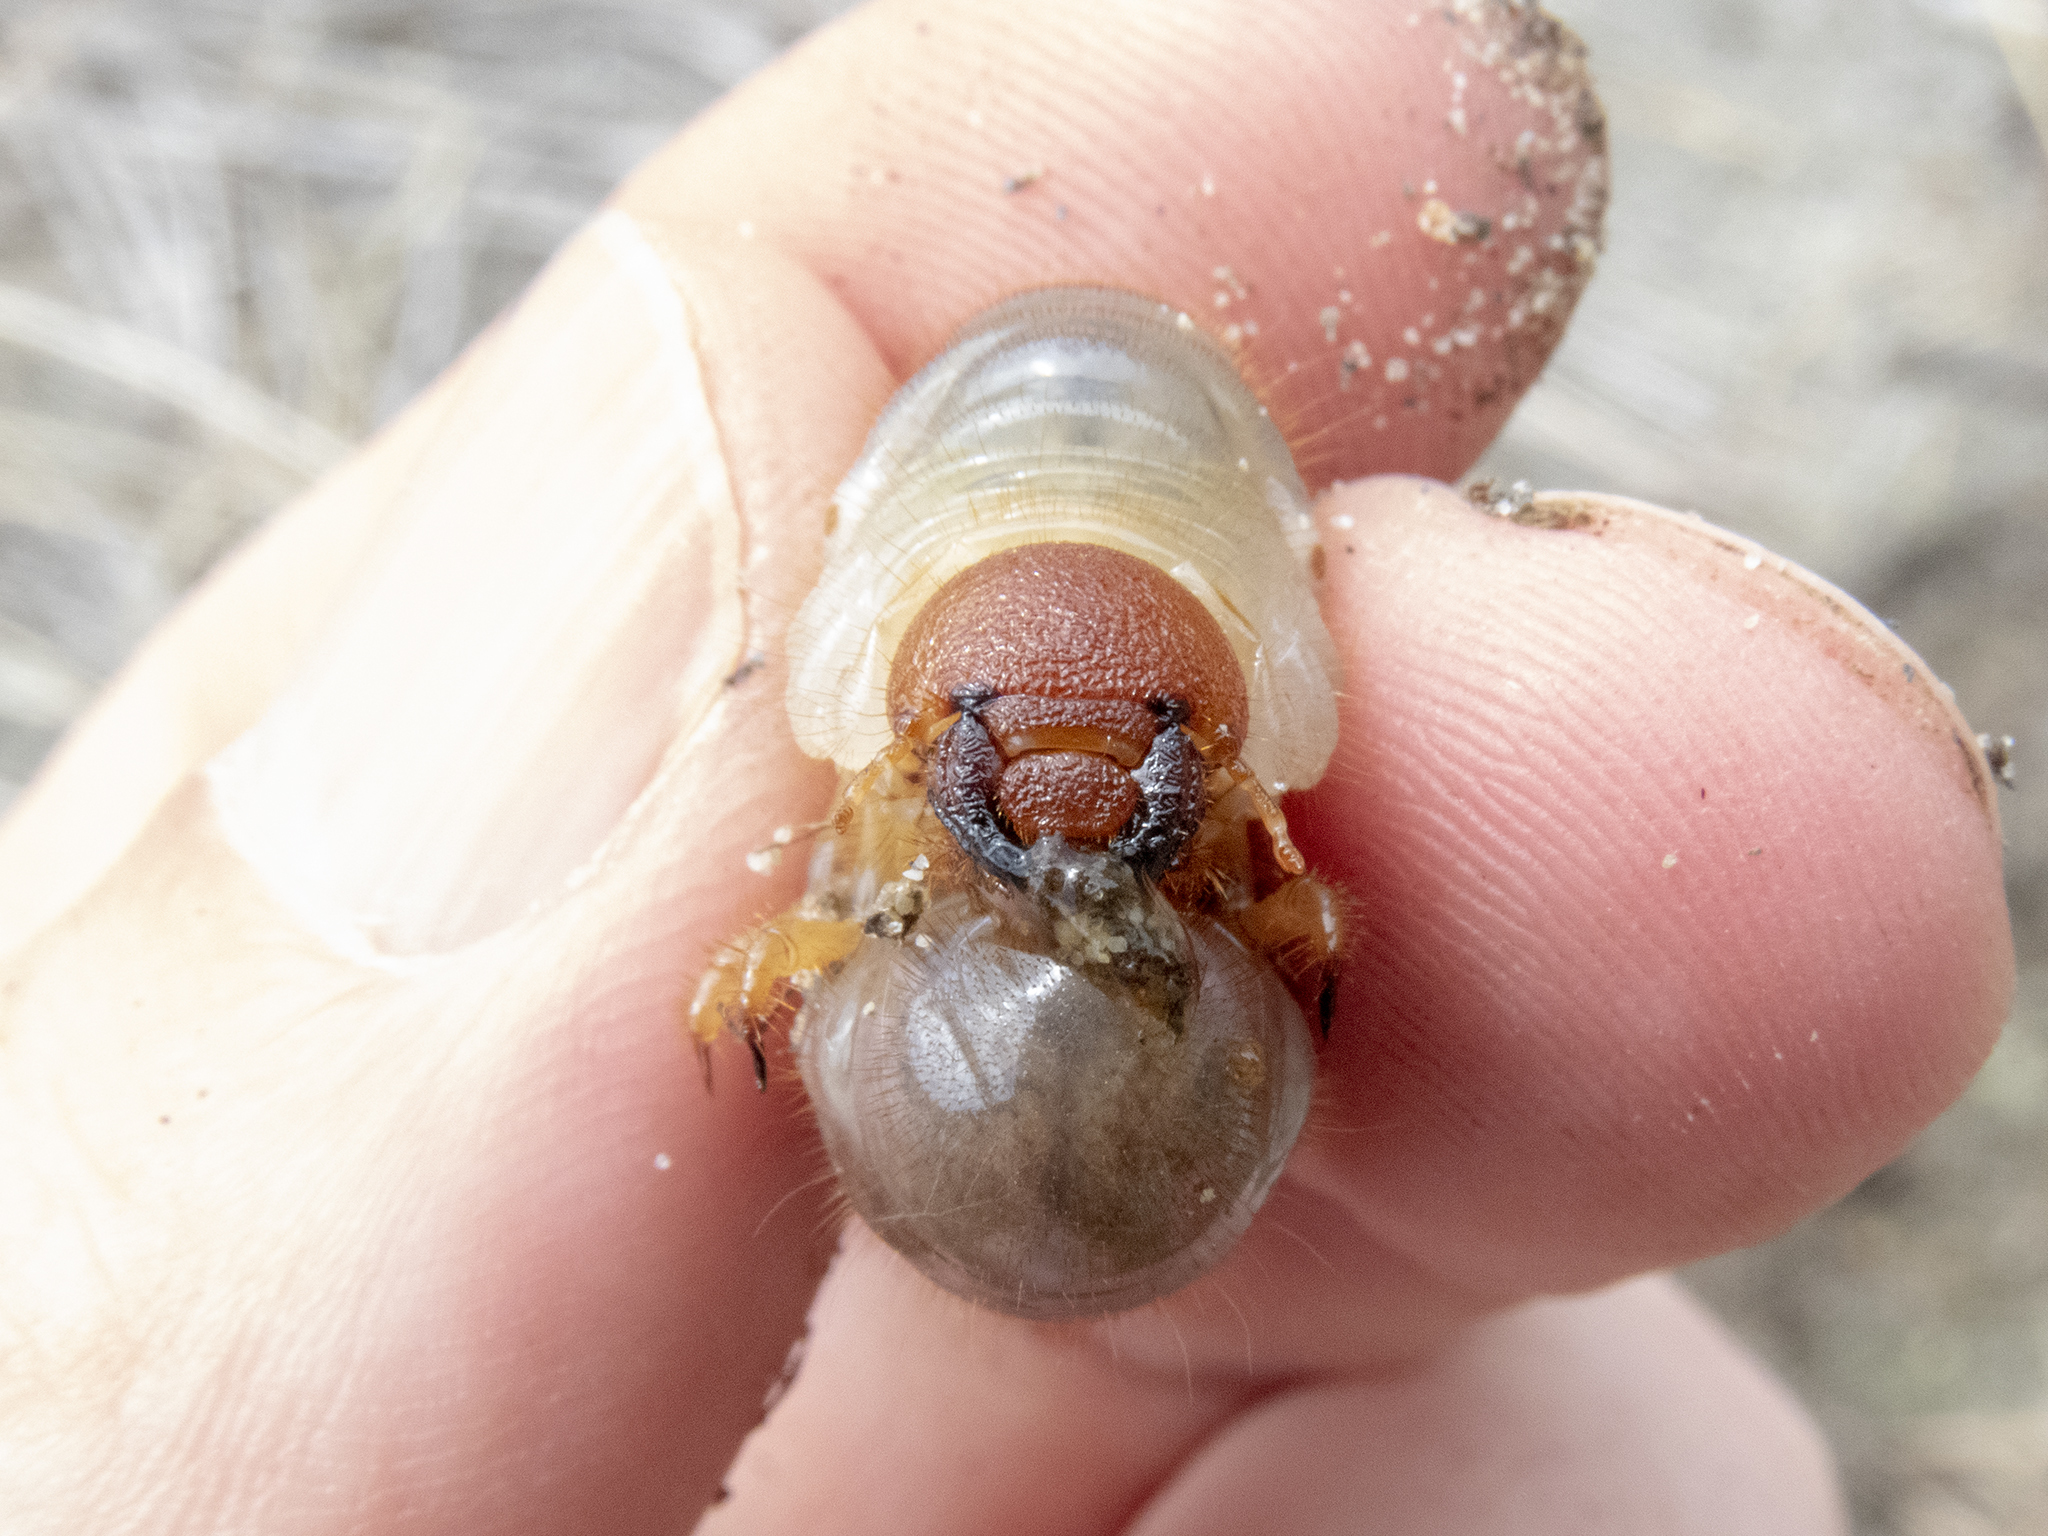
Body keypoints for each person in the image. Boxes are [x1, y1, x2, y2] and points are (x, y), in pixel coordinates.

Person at [0, 2, 2012, 1531]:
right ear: (903, 689)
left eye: (1156, 758)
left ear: (1227, 704)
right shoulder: (976, 712)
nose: (1062, 822)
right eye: (971, 753)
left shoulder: (1120, 713)